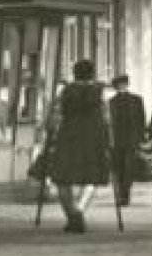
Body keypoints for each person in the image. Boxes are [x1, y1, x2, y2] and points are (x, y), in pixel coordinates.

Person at [44, 58, 111, 234]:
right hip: (92, 137)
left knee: (62, 178)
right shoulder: (99, 92)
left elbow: (55, 116)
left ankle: (73, 215)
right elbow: (106, 118)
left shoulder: (65, 91)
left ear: (74, 73)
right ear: (92, 73)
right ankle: (79, 210)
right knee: (92, 177)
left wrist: (50, 131)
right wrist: (107, 137)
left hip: (68, 137)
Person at [107, 74, 146, 207]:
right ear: (116, 86)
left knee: (128, 168)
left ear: (127, 84)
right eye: (119, 85)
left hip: (131, 140)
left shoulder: (137, 100)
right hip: (116, 140)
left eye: (124, 84)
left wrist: (141, 138)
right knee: (118, 169)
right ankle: (120, 195)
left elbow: (142, 120)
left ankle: (125, 195)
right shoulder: (111, 102)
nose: (122, 86)